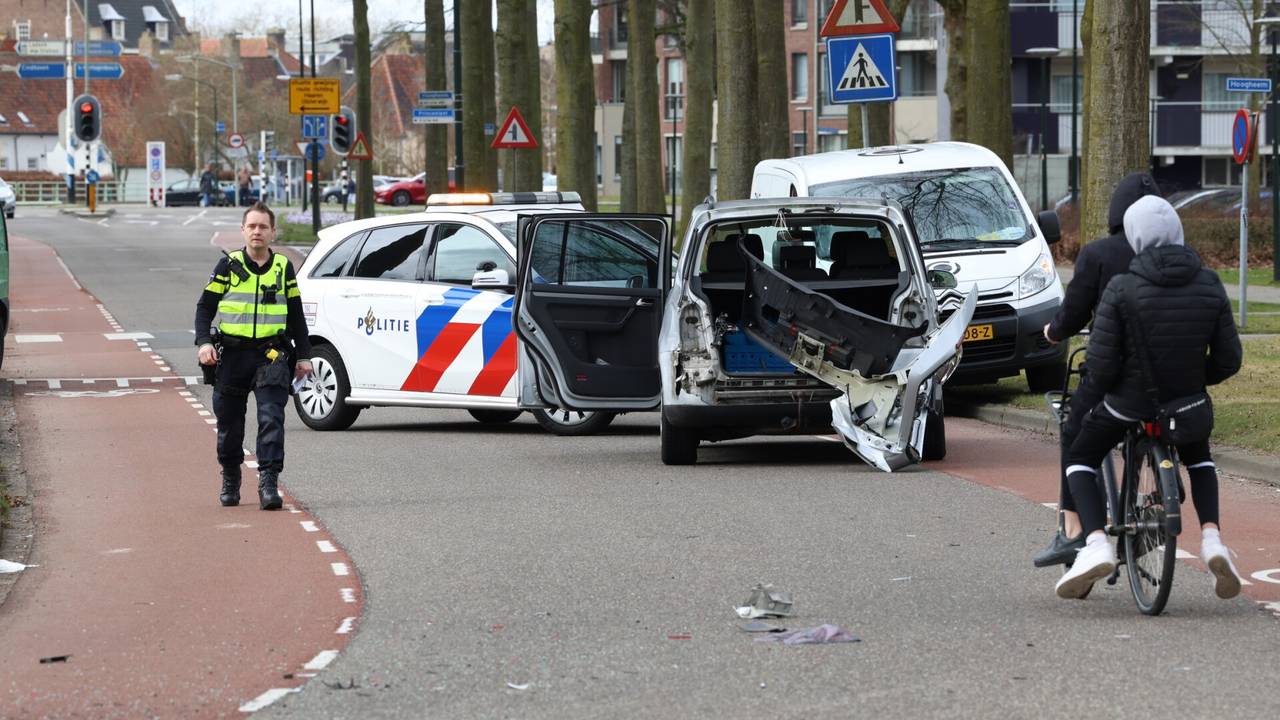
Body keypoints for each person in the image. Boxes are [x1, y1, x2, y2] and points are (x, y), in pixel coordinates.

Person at [1054, 195, 1243, 599]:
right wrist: (1194, 377)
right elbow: (1229, 360)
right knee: (1200, 457)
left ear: (1136, 238)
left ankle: (1095, 544)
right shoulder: (1209, 282)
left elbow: (1102, 367)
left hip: (1129, 403)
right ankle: (1212, 539)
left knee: (1081, 455)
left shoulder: (1123, 288)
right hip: (1187, 402)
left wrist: (1086, 404)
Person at [1033, 172, 1162, 568]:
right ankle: (1154, 501)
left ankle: (1074, 531)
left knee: (1077, 432)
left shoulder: (1099, 254)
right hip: (1168, 374)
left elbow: (1073, 313)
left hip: (1113, 373)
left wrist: (1053, 332)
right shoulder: (1174, 252)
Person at [195, 202, 313, 510]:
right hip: (232, 357)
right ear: (243, 231)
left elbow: (296, 315)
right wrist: (204, 342)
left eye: (263, 227)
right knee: (230, 425)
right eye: (252, 226)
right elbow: (205, 307)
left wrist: (304, 356)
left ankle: (269, 482)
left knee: (272, 418)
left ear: (273, 232)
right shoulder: (228, 266)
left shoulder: (283, 268)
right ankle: (231, 477)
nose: (257, 231)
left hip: (270, 355)